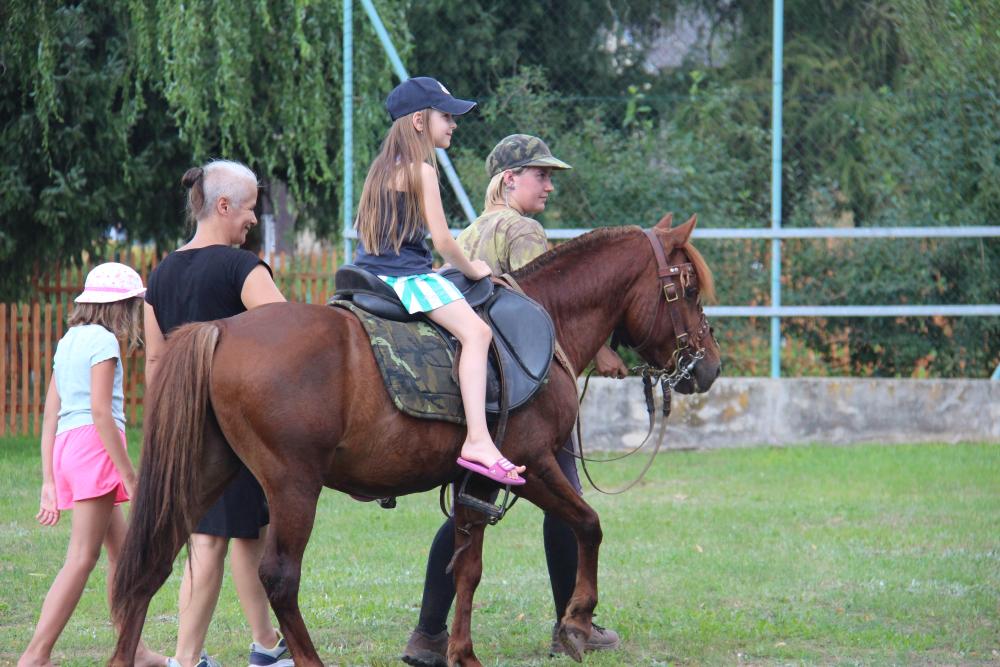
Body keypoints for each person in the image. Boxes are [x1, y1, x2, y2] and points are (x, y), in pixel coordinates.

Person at [401, 135, 627, 666]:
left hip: (479, 395)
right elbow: (546, 313)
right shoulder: (523, 230)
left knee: (468, 510)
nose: (549, 186)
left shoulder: (471, 231)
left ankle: (427, 633)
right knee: (567, 502)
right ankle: (572, 622)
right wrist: (601, 349)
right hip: (527, 395)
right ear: (509, 180)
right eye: (539, 175)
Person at [144, 160, 291, 667]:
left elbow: (156, 364)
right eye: (249, 208)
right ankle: (186, 660)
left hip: (185, 426)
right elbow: (288, 336)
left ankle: (266, 643)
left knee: (250, 534)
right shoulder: (240, 268)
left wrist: (165, 429)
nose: (253, 219)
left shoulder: (160, 274)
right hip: (234, 427)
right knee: (208, 542)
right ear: (223, 205)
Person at [354, 76, 525, 485]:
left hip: (367, 274)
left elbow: (381, 238)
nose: (453, 124)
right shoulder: (421, 171)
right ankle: (478, 440)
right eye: (445, 116)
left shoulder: (379, 171)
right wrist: (473, 269)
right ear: (418, 121)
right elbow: (445, 241)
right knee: (477, 333)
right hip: (404, 279)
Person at [19, 263, 165, 667]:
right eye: (133, 306)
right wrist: (129, 475)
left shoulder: (68, 341)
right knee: (82, 557)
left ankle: (133, 650)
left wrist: (49, 479)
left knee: (121, 552)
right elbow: (101, 412)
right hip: (94, 449)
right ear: (120, 307)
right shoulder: (104, 341)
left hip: (69, 447)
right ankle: (35, 656)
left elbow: (51, 414)